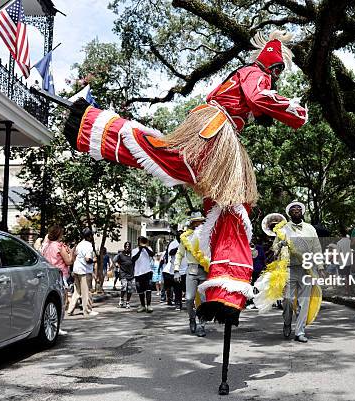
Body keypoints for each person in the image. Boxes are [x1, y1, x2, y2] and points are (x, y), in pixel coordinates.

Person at [62, 29, 307, 325]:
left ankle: (224, 295)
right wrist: (293, 111)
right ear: (270, 63)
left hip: (215, 130)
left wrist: (260, 113)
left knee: (229, 206)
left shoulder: (244, 74)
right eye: (278, 67)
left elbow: (248, 102)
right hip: (215, 132)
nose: (278, 74)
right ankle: (91, 126)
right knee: (199, 179)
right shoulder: (257, 72)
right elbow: (258, 96)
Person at [278, 201, 324, 343]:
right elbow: (275, 248)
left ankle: (300, 332)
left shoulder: (310, 229)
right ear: (290, 213)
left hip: (308, 269)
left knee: (304, 302)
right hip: (289, 268)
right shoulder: (283, 229)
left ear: (302, 212)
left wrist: (320, 267)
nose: (296, 209)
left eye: (299, 208)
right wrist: (280, 244)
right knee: (287, 300)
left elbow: (317, 247)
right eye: (293, 208)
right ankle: (287, 322)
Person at [174, 212, 208, 336]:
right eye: (197, 221)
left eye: (201, 221)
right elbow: (179, 254)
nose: (199, 224)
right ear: (193, 223)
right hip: (192, 270)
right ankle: (192, 318)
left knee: (204, 300)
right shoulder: (185, 238)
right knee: (189, 299)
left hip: (205, 270)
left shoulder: (207, 236)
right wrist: (176, 270)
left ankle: (202, 325)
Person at [41, 225, 75, 333]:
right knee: (62, 302)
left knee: (51, 302)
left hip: (48, 274)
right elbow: (69, 261)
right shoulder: (60, 246)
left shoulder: (46, 246)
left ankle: (50, 325)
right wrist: (73, 253)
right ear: (59, 234)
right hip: (60, 275)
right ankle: (58, 327)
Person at [67, 228, 98, 317]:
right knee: (87, 291)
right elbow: (88, 259)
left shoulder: (79, 244)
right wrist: (94, 260)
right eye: (92, 235)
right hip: (84, 271)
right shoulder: (88, 245)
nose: (93, 236)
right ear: (89, 236)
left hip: (76, 269)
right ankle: (87, 311)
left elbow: (76, 255)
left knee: (77, 291)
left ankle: (70, 310)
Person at [132, 236, 155, 313]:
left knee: (148, 289)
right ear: (138, 242)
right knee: (140, 290)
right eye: (140, 241)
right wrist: (140, 250)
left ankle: (149, 305)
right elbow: (133, 259)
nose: (142, 243)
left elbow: (152, 254)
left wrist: (145, 248)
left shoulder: (148, 249)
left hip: (147, 272)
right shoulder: (134, 250)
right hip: (138, 273)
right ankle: (142, 305)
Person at [114, 242, 135, 308]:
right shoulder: (120, 254)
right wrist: (117, 265)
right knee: (124, 286)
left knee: (130, 288)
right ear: (124, 247)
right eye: (126, 246)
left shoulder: (132, 254)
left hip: (131, 273)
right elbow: (115, 260)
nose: (127, 247)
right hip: (123, 273)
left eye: (128, 246)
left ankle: (127, 302)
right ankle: (121, 298)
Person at [161, 235, 180, 305]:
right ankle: (169, 299)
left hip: (172, 269)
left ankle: (173, 299)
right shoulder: (173, 245)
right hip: (168, 270)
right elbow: (170, 253)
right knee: (170, 287)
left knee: (173, 287)